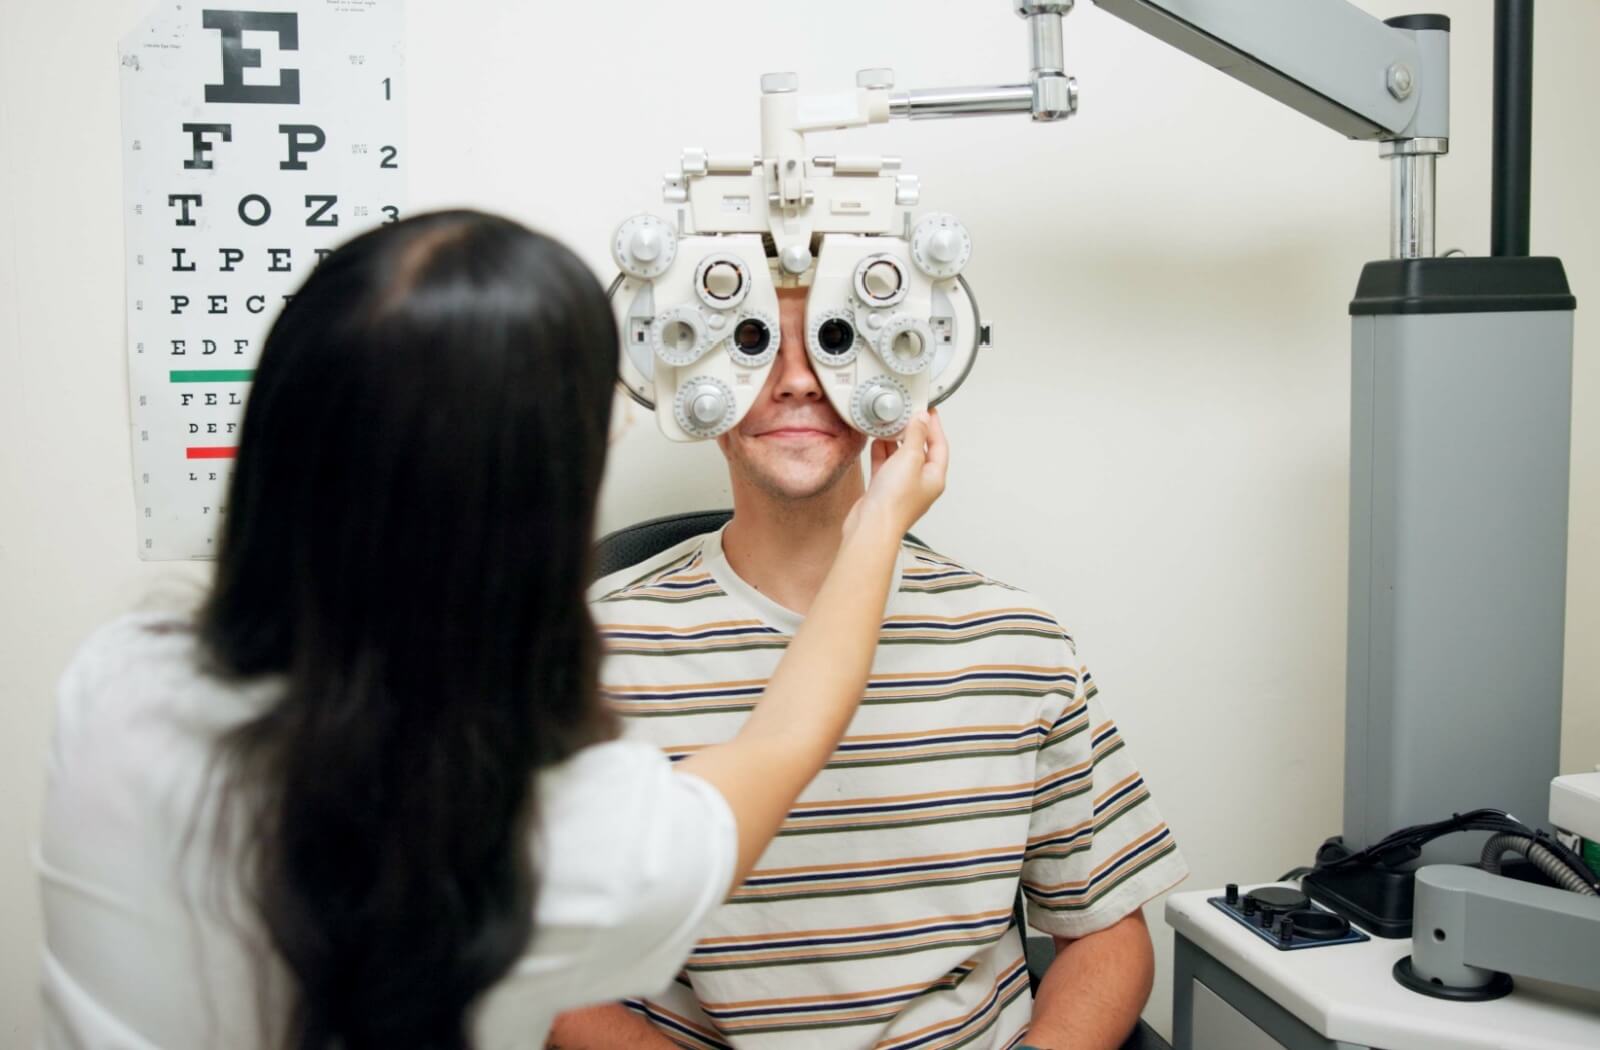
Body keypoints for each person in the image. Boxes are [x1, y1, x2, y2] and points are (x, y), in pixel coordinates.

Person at [36, 210, 947, 1050]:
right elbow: (785, 742)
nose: (792, 380)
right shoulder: (558, 837)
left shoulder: (114, 685)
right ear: (530, 514)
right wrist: (880, 526)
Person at [552, 285, 1188, 1050]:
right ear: (690, 378)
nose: (797, 378)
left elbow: (1105, 934)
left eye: (836, 340)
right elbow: (545, 968)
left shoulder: (1018, 639)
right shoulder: (592, 648)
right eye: (752, 339)